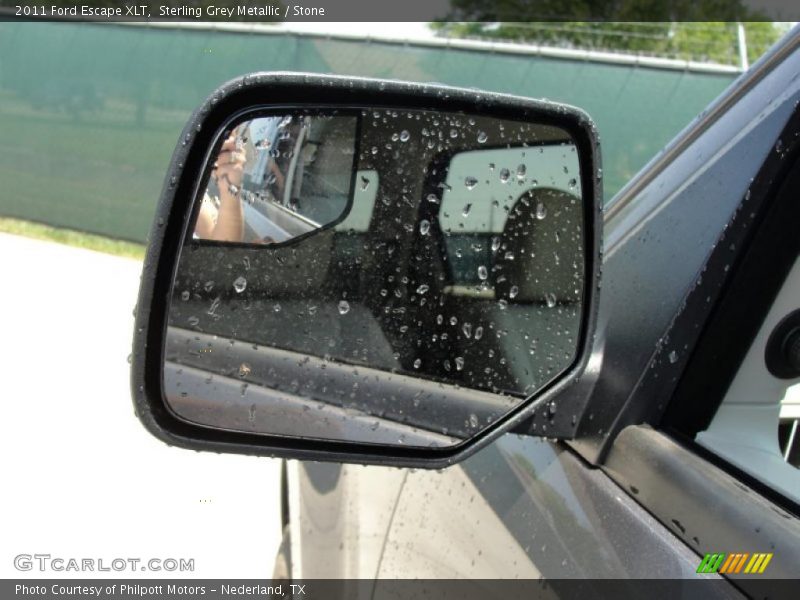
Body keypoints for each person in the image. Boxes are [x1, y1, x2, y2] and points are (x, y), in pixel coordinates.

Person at [194, 130, 247, 242]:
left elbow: (219, 247)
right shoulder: (191, 182)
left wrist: (230, 180)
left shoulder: (198, 194)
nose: (228, 140)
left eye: (232, 133)